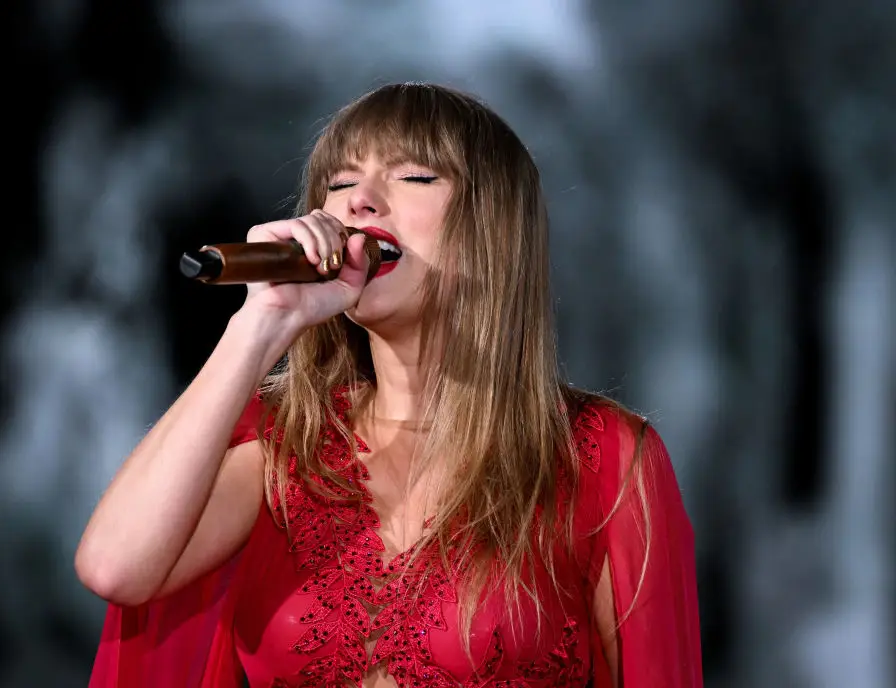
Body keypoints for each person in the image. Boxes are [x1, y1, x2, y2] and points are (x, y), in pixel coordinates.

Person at [75, 82, 703, 688]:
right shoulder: (281, 447)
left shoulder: (601, 459)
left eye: (414, 177)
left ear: (494, 226)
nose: (359, 202)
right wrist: (261, 325)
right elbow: (115, 568)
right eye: (341, 183)